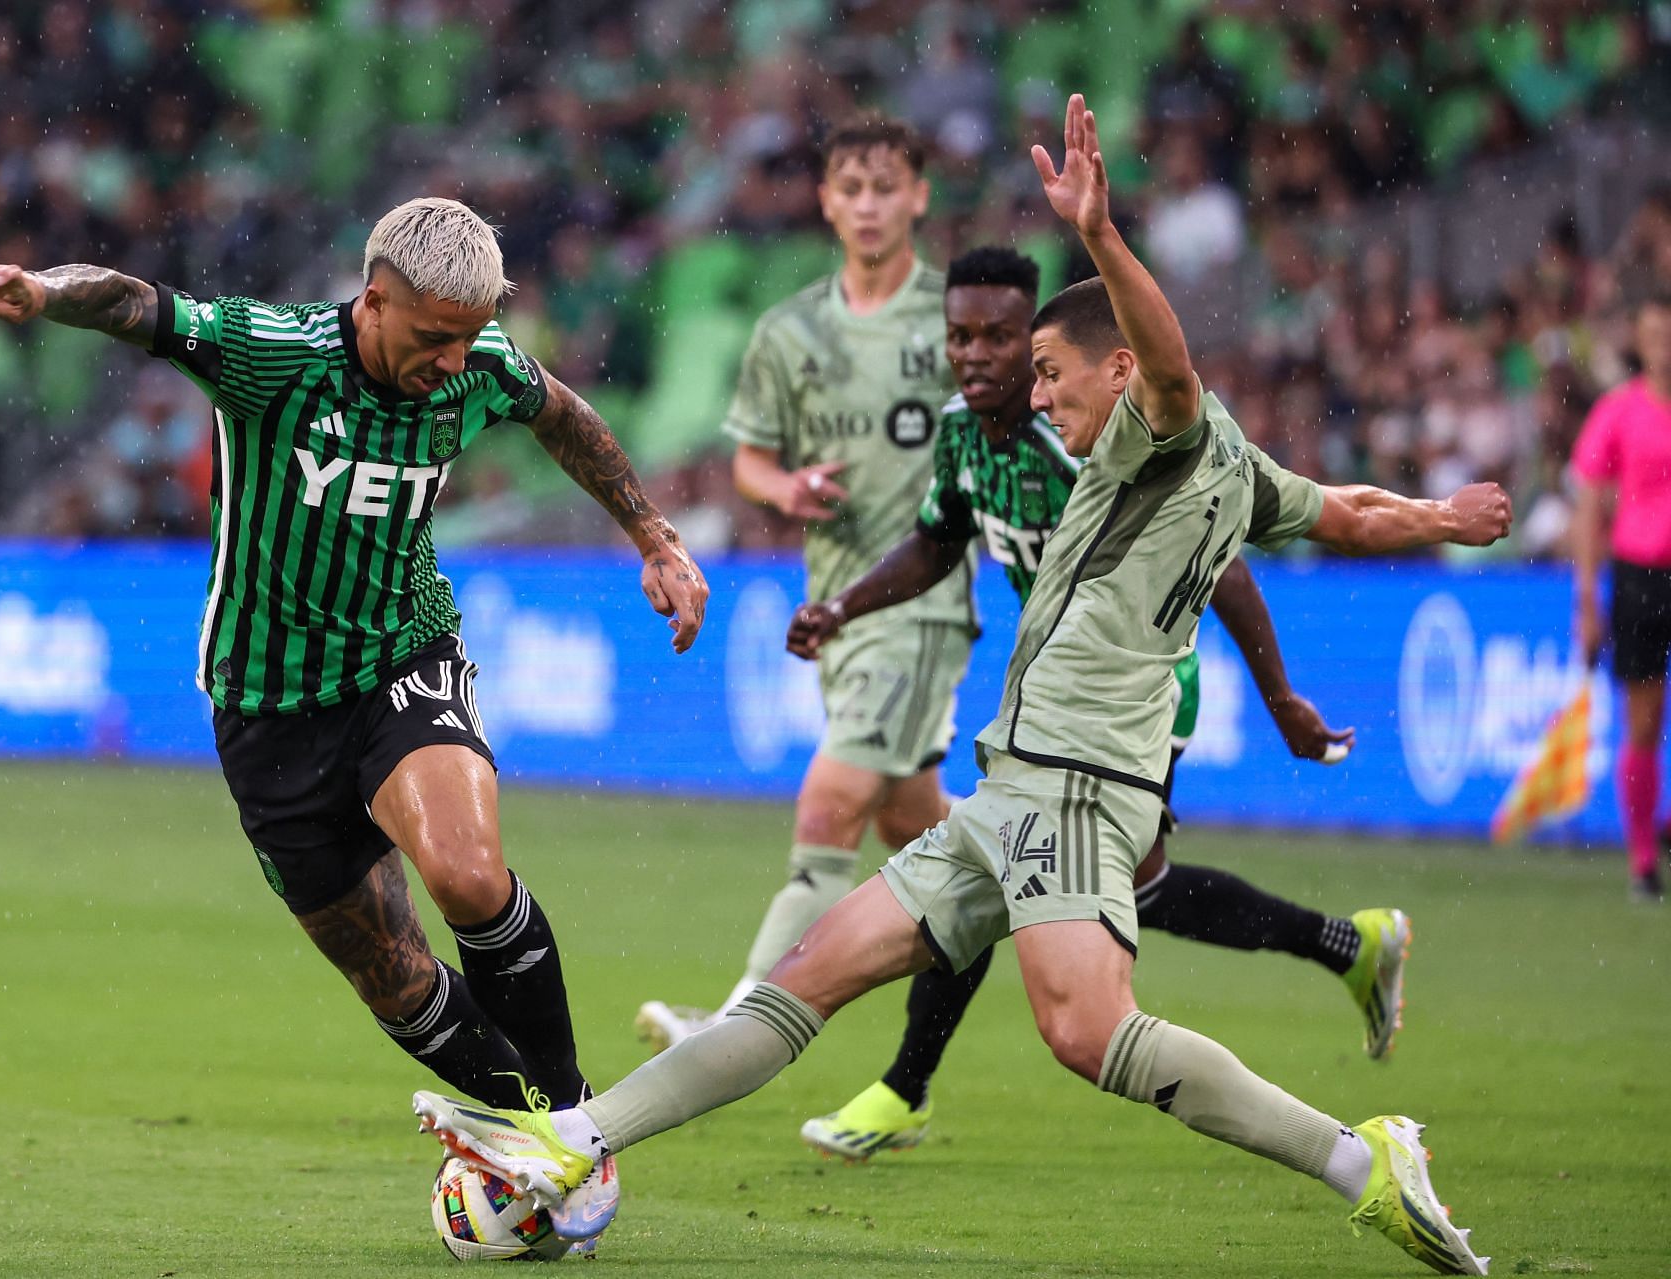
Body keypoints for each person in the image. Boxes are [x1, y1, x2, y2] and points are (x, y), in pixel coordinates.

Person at [413, 97, 1508, 1276]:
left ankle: (1363, 1159)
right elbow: (1347, 510)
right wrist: (1443, 517)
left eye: (1050, 372)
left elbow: (1176, 365)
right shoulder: (1237, 466)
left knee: (1089, 1033)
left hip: (1084, 790)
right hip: (1012, 789)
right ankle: (573, 1141)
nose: (1037, 397)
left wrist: (1099, 235)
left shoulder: (1165, 427)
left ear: (1125, 372)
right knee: (805, 976)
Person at [0, 197, 710, 1243]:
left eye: (470, 335)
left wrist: (654, 537)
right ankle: (535, 1129)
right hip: (265, 711)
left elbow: (564, 415)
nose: (455, 359)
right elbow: (140, 304)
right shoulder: (272, 355)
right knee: (394, 980)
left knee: (465, 873)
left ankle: (574, 1121)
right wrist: (43, 293)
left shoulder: (480, 360)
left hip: (402, 658)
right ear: (376, 297)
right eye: (435, 336)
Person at [789, 244, 1405, 1163]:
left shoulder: (1084, 433)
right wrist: (844, 606)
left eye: (1001, 336)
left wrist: (1279, 695)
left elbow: (1221, 554)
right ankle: (1346, 944)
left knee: (1014, 868)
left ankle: (903, 1088)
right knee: (1112, 883)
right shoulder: (964, 433)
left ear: (1044, 342)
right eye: (960, 335)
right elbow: (935, 541)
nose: (977, 355)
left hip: (1141, 687)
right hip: (1051, 697)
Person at [637, 114, 974, 1050]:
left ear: (918, 197)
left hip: (925, 604)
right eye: (850, 189)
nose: (867, 206)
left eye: (885, 188)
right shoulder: (791, 332)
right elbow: (750, 461)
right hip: (834, 604)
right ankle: (1044, 896)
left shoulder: (962, 323)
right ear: (826, 202)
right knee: (926, 834)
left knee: (830, 804)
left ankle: (737, 1019)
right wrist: (789, 486)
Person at [1571, 289, 1671, 903]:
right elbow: (1589, 506)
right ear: (1639, 340)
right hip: (1640, 577)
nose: (1663, 343)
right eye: (1655, 332)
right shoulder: (1618, 411)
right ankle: (1641, 860)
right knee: (1644, 719)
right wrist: (1586, 597)